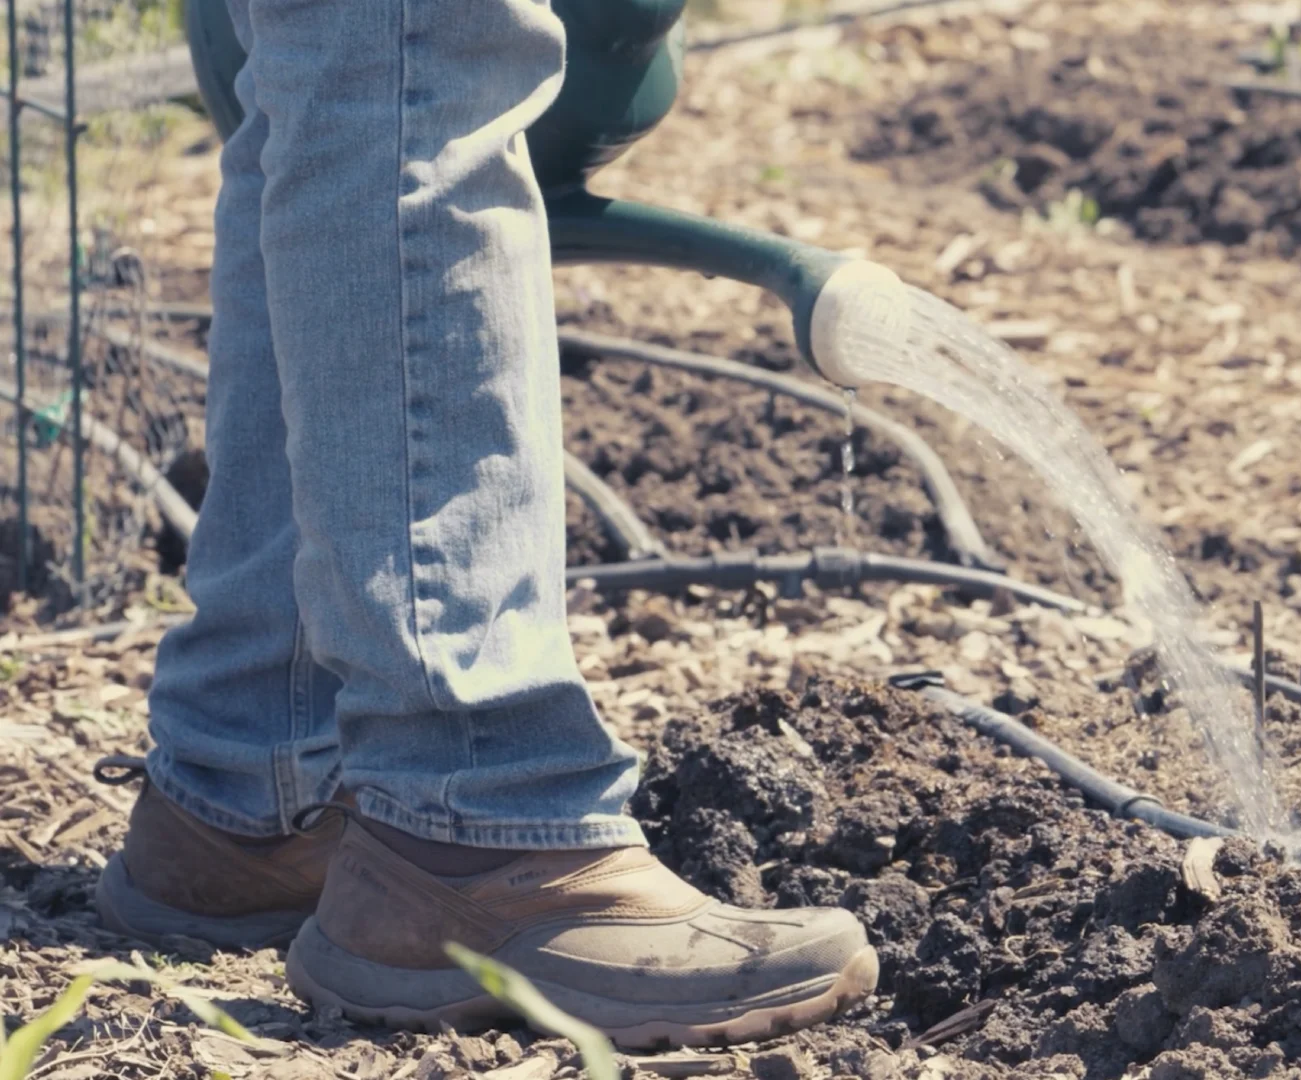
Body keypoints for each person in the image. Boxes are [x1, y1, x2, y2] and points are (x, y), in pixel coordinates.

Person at [91, 0, 877, 1048]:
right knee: (410, 42)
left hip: (255, 780)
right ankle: (470, 817)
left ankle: (259, 772)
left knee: (338, 65)